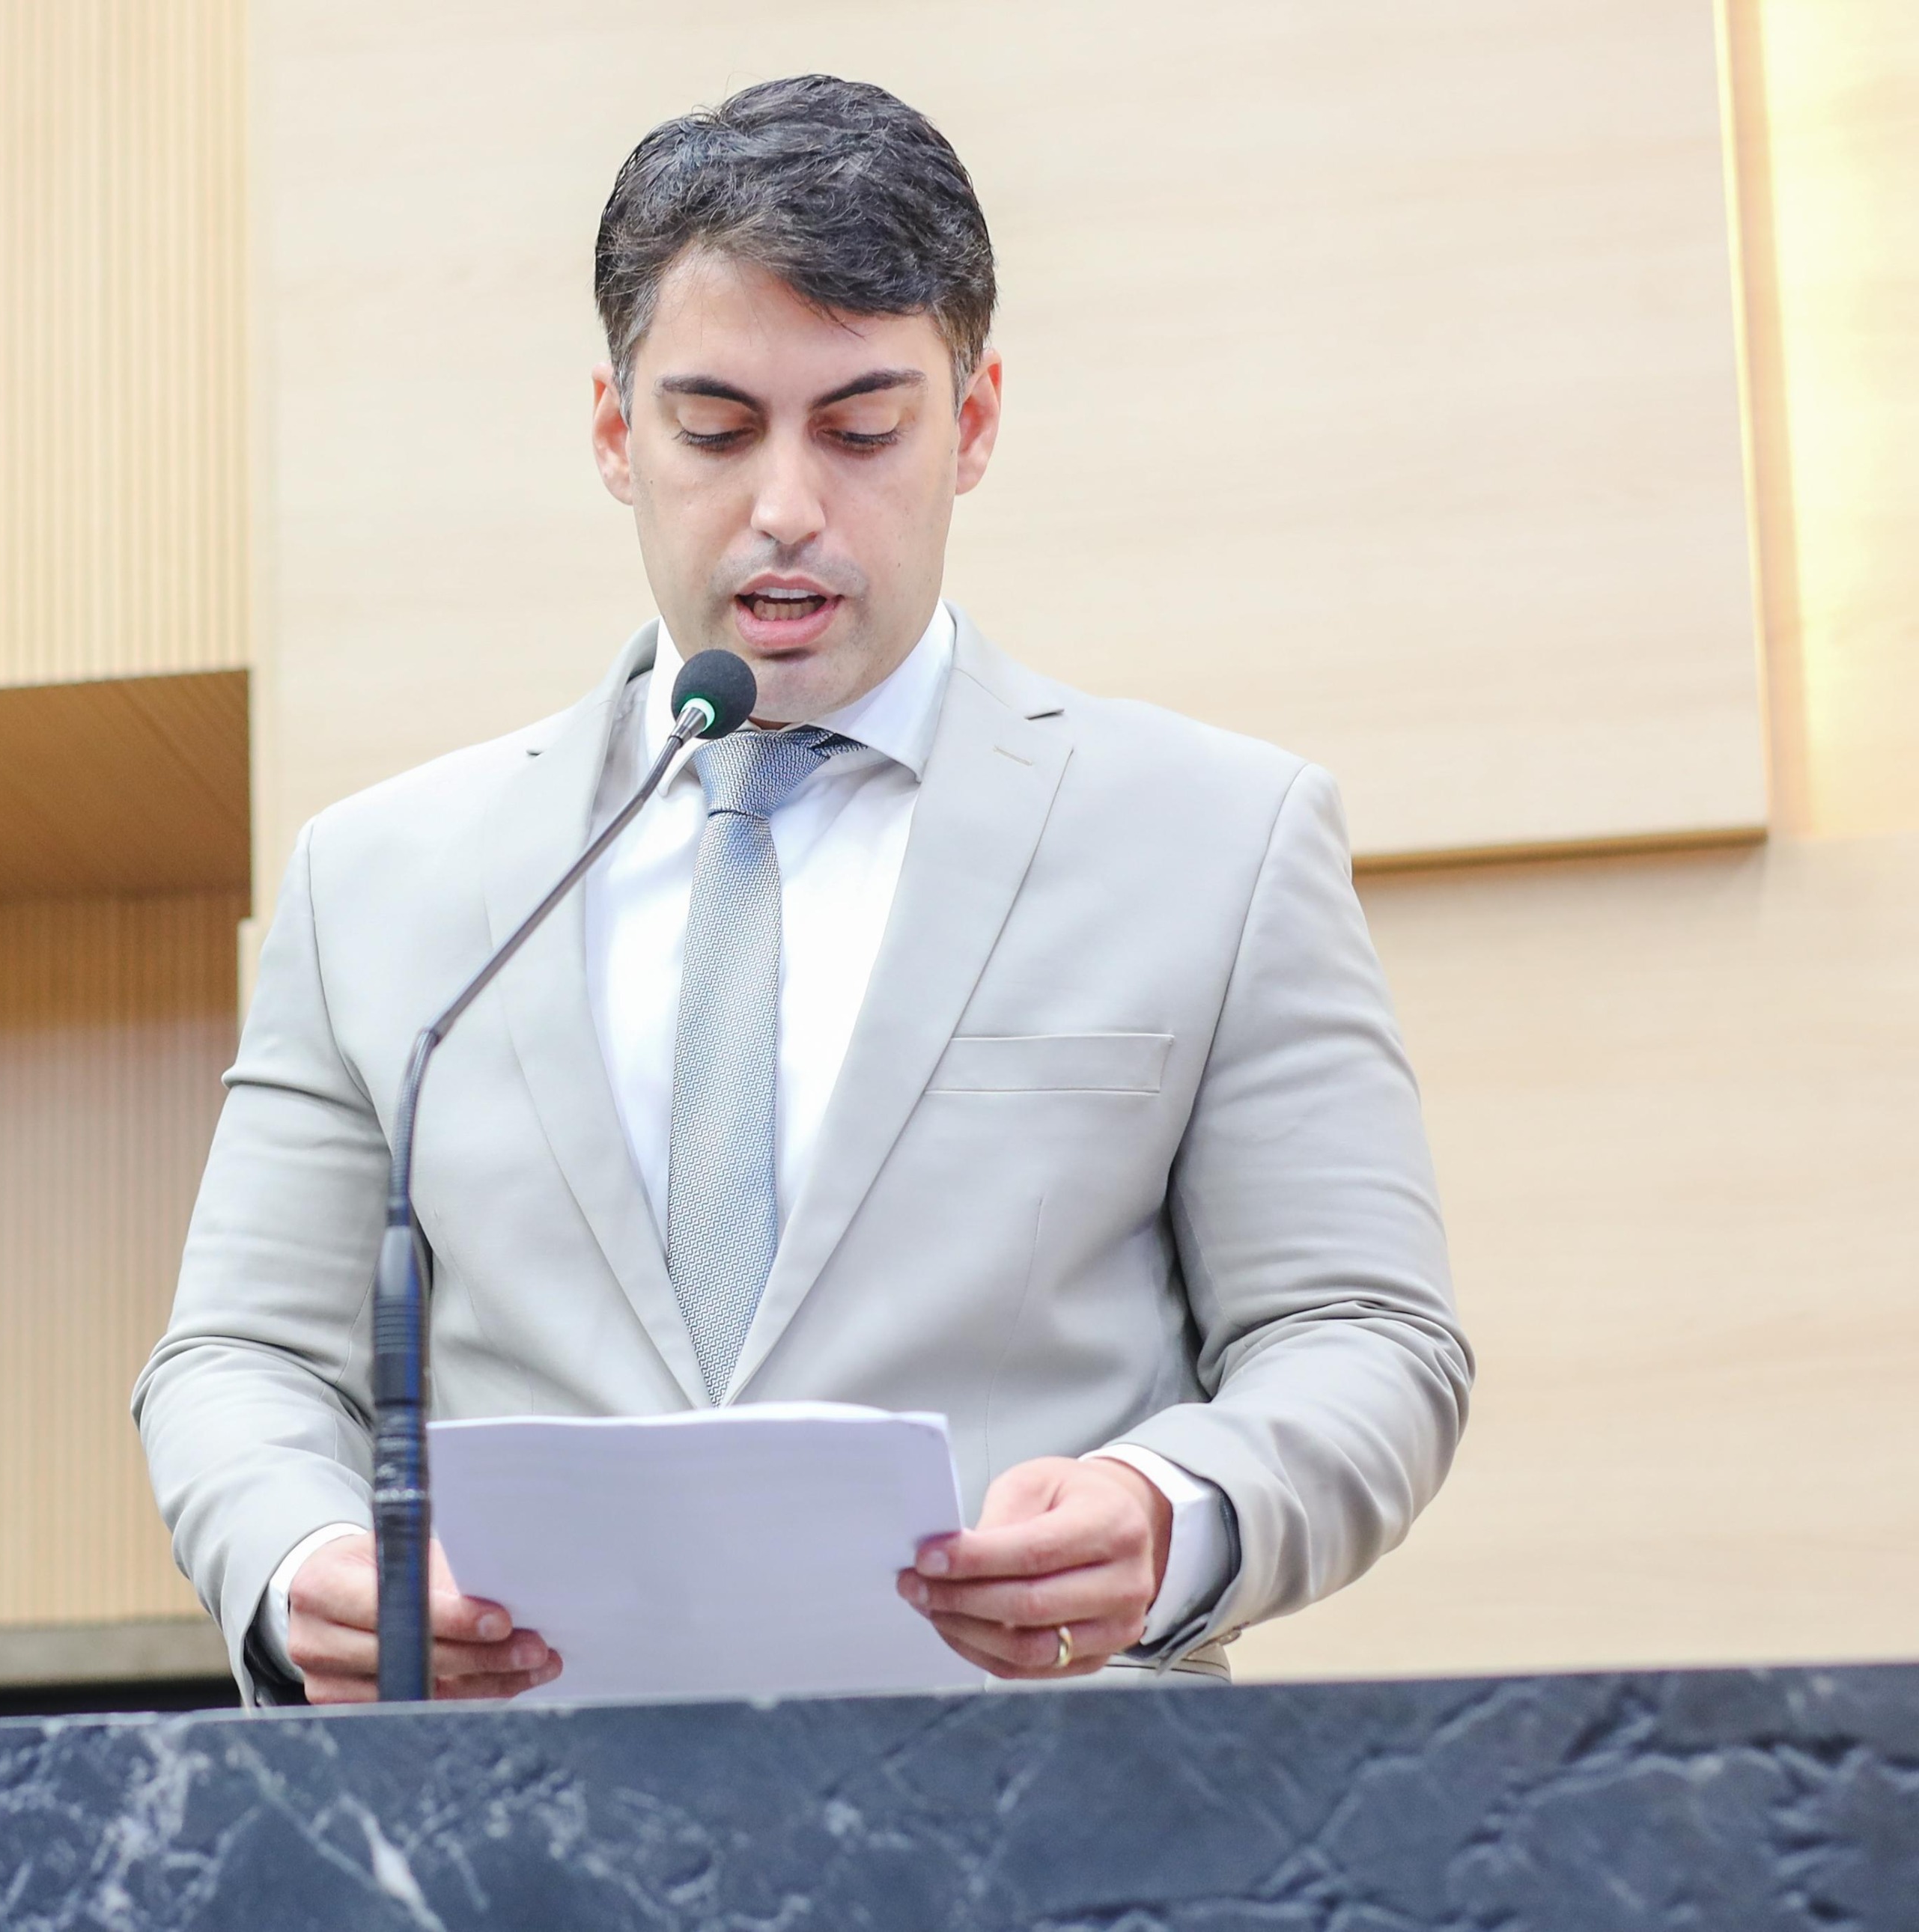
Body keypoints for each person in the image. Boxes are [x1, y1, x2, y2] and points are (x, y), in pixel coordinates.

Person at [133, 74, 1468, 1706]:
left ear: (971, 426)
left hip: (1044, 1825)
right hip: (512, 1836)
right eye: (712, 429)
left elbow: (1363, 1335)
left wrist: (1168, 1510)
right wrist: (299, 1563)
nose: (784, 507)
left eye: (860, 429)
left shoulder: (1220, 837)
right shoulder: (383, 878)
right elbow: (241, 1358)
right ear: (616, 435)